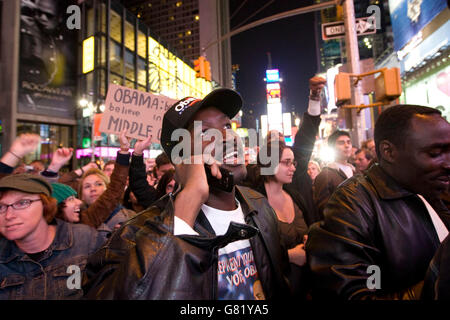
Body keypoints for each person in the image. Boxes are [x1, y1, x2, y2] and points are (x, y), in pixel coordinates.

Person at [83, 88, 291, 300]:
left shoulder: (260, 207)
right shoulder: (133, 236)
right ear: (181, 158)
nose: (227, 136)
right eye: (204, 132)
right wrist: (185, 210)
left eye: (227, 125)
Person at [306, 104, 450, 300]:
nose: (447, 163)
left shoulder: (434, 189)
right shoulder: (352, 205)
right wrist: (436, 285)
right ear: (389, 152)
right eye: (434, 154)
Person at [0, 173, 104, 299]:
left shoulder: (86, 240)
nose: (9, 215)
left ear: (45, 205)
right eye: (1, 207)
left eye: (22, 203)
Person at [244, 139, 309, 298]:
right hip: (276, 289)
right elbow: (252, 252)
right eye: (287, 162)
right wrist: (289, 256)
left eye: (293, 163)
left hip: (305, 286)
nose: (292, 168)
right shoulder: (253, 203)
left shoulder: (296, 197)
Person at [313, 130, 355, 219]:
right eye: (341, 143)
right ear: (332, 147)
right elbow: (323, 208)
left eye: (348, 142)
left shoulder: (356, 172)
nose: (346, 145)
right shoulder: (326, 175)